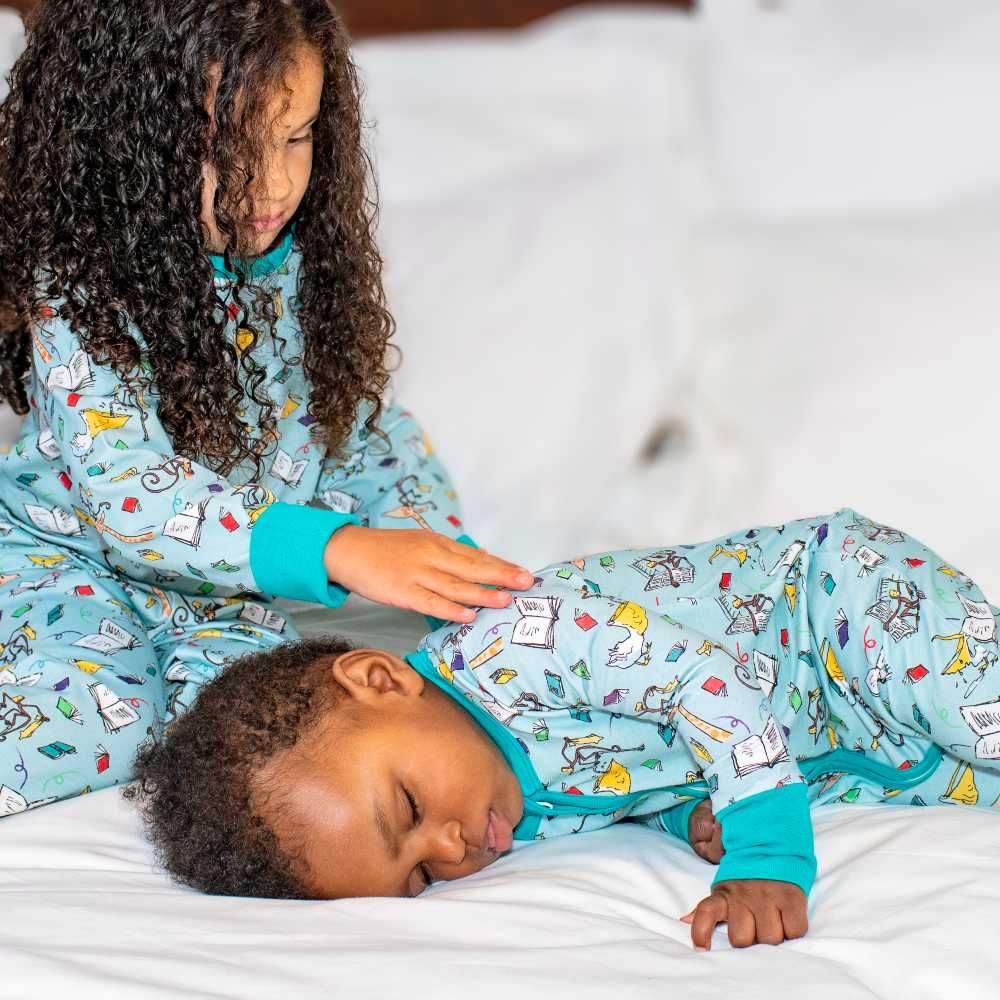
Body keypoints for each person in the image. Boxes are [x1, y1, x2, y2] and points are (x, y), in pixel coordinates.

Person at [0, 0, 532, 815]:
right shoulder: (80, 287)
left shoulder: (308, 266)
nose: (276, 183)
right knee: (101, 730)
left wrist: (442, 569)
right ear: (127, 144)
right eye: (229, 151)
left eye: (297, 136)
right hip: (62, 560)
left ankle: (625, 787)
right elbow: (128, 490)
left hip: (225, 601)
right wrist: (338, 547)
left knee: (298, 749)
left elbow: (365, 439)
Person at [130, 507, 1000, 948]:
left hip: (833, 605)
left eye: (407, 808)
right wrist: (680, 814)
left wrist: (765, 851)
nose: (453, 846)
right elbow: (620, 775)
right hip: (823, 724)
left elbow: (703, 679)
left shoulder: (515, 640)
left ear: (379, 676)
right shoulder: (516, 808)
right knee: (959, 783)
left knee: (976, 701)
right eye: (421, 876)